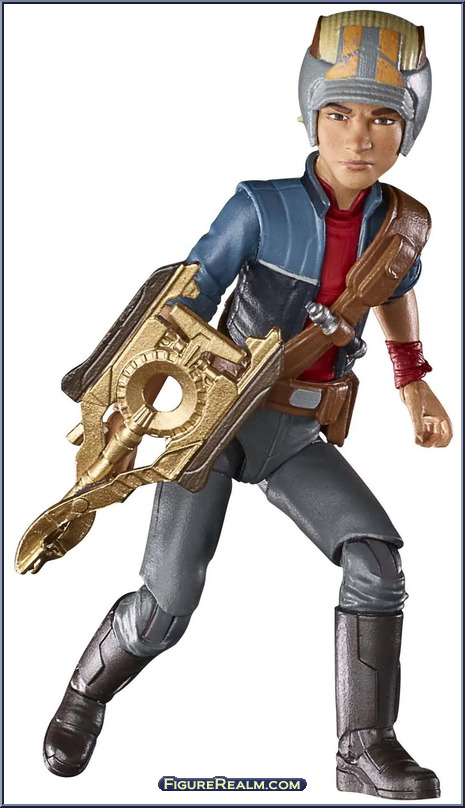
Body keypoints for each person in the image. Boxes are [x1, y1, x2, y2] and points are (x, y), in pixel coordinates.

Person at [43, 10, 452, 800]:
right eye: (339, 113)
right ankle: (82, 698)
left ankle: (363, 749)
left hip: (295, 433)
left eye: (381, 118)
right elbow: (181, 300)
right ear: (310, 114)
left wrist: (412, 379)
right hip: (213, 423)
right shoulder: (260, 208)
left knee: (375, 564)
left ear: (409, 127)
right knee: (165, 608)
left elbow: (395, 292)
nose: (358, 136)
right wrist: (126, 407)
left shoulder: (401, 226)